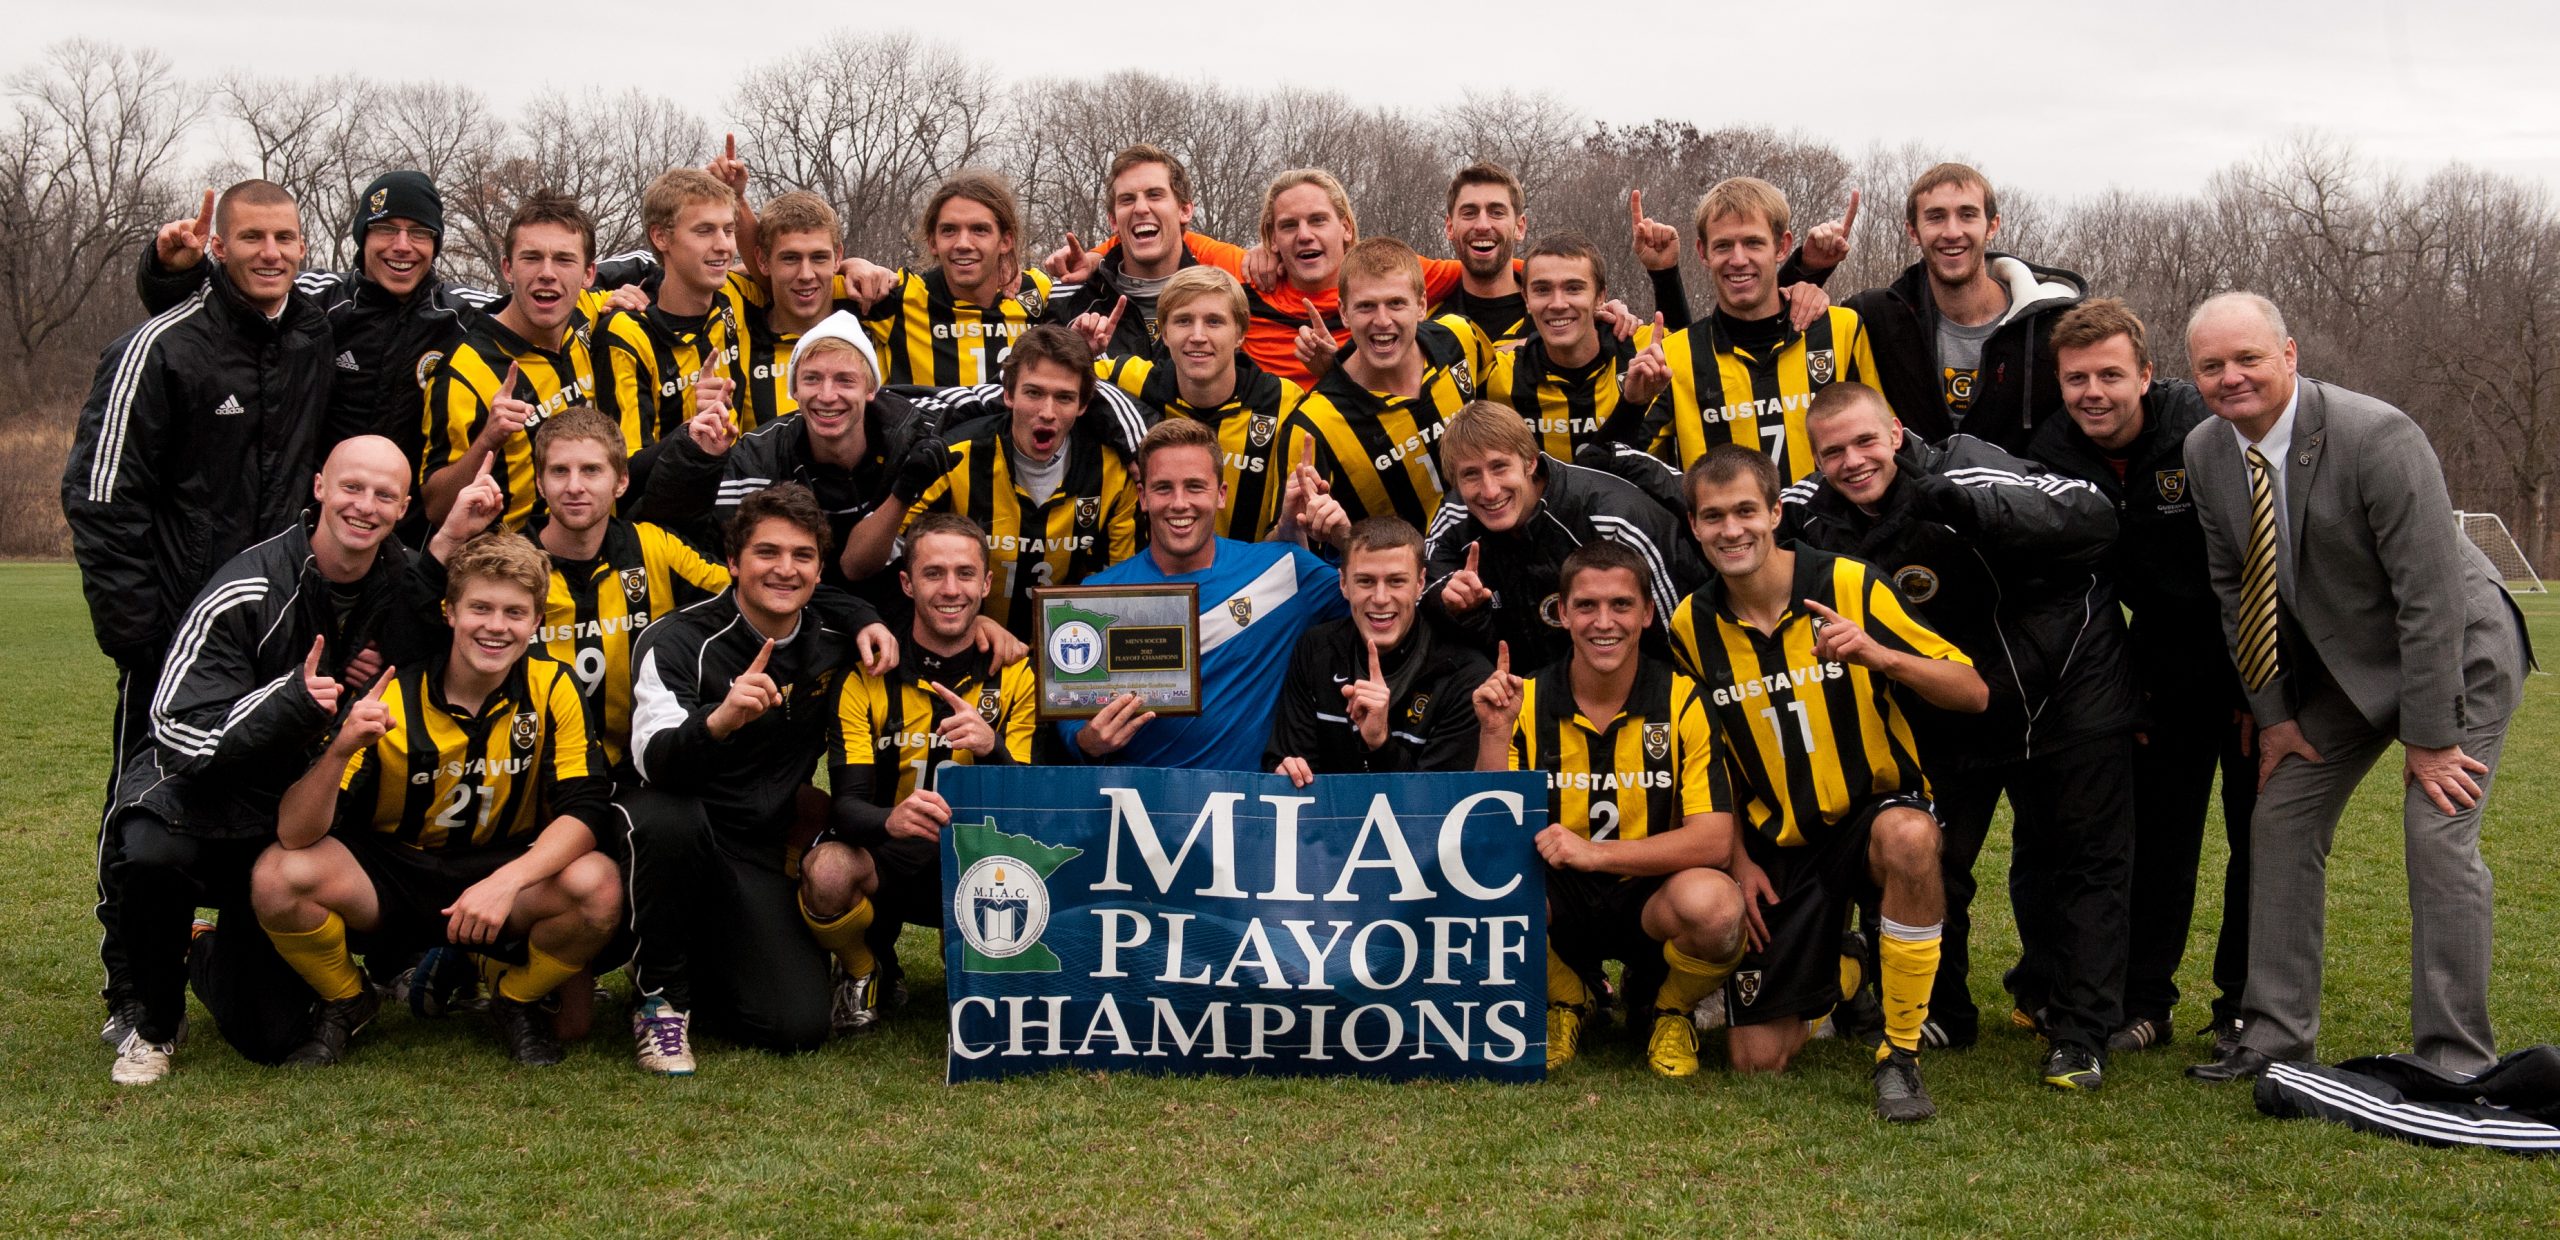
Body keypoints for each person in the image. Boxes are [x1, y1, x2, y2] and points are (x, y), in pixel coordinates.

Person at [2180, 292, 2531, 1083]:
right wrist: (2274, 716)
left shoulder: (2378, 434)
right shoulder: (2205, 451)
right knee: (2282, 816)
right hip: (2344, 665)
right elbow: (2236, 590)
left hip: (2455, 651)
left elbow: (2431, 596)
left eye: (2249, 359)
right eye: (2212, 366)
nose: (2231, 378)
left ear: (2291, 355)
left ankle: (2453, 1059)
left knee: (2436, 838)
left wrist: (2432, 736)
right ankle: (2273, 1036)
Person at [96, 436, 502, 1083]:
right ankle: (152, 1021)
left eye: (383, 495)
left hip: (293, 811)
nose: (364, 505)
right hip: (199, 796)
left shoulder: (392, 573)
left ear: (401, 508)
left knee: (273, 1037)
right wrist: (290, 701)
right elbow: (174, 729)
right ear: (319, 488)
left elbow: (418, 627)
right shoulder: (247, 588)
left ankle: (212, 949)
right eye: (351, 487)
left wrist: (452, 532)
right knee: (150, 856)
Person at [1785, 382, 2134, 1090]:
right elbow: (1734, 531)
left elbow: (2094, 516)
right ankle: (1944, 1010)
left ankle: (2080, 1034)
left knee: (2083, 866)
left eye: (1864, 441)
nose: (1852, 461)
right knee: (1936, 861)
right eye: (1832, 452)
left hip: (2067, 684)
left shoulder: (1964, 465)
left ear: (1895, 428)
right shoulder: (1813, 515)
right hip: (1947, 702)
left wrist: (1971, 508)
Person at [64, 177, 335, 1054]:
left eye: (286, 238)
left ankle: (249, 962)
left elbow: (431, 293)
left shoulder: (314, 330)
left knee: (278, 803)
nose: (271, 253)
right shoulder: (158, 348)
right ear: (217, 246)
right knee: (147, 809)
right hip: (176, 639)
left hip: (284, 636)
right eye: (251, 237)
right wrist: (143, 636)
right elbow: (104, 500)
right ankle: (134, 995)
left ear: (304, 245)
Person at [1670, 445, 1985, 1120]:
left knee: (1909, 837)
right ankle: (1847, 969)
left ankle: (1899, 1054)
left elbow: (1972, 691)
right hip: (1782, 844)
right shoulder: (1689, 625)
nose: (1732, 530)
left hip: (1872, 817)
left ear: (1777, 512)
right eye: (1714, 516)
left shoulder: (1849, 584)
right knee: (1754, 1060)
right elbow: (1711, 760)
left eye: (1747, 511)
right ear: (1693, 526)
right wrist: (1738, 860)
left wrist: (1879, 654)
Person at [251, 532, 620, 1067]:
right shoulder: (393, 693)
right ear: (449, 612)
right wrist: (338, 752)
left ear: (537, 621)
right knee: (277, 875)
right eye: (481, 608)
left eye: (515, 612)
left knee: (599, 888)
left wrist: (506, 882)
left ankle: (513, 996)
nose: (496, 626)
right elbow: (295, 835)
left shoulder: (552, 686)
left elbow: (585, 809)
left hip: (500, 873)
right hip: (395, 874)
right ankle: (348, 997)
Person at [2025, 298, 2257, 1058]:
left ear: (2147, 376)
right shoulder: (2054, 450)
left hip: (2251, 661)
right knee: (2160, 845)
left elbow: (2262, 561)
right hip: (2164, 669)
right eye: (2076, 377)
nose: (2094, 392)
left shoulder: (2204, 430)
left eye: (2111, 375)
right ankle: (2145, 1002)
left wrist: (2267, 689)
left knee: (2263, 844)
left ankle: (2244, 1008)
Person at [614, 485, 890, 1072]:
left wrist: (990, 635)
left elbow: (918, 641)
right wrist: (719, 721)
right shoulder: (678, 639)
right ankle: (659, 997)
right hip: (676, 831)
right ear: (734, 561)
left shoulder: (834, 641)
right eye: (767, 553)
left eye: (802, 555)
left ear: (818, 570)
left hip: (756, 846)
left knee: (796, 1027)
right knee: (667, 815)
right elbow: (653, 762)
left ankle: (705, 961)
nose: (785, 569)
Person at [1470, 541, 1748, 1080]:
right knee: (1481, 895)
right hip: (1559, 899)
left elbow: (1714, 841)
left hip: (1650, 897)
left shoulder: (1684, 700)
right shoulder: (1523, 699)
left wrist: (1595, 854)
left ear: (1647, 613)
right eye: (1587, 606)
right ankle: (1567, 998)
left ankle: (1670, 1009)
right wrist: (1494, 734)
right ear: (1562, 612)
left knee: (1716, 907)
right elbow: (1487, 832)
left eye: (1621, 605)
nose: (1604, 622)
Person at [814, 512, 1039, 1034]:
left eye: (965, 574)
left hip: (979, 866)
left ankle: (966, 953)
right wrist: (891, 820)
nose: (950, 589)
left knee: (988, 998)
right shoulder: (866, 673)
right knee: (827, 872)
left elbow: (1028, 807)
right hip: (887, 859)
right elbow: (845, 806)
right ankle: (863, 969)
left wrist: (991, 748)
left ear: (986, 584)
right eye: (933, 573)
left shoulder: (1016, 673)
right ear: (906, 583)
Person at [136, 171, 495, 461]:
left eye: (419, 232)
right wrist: (171, 273)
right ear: (363, 238)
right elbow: (215, 315)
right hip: (314, 523)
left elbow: (536, 314)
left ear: (435, 245)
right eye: (386, 229)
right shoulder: (313, 297)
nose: (402, 245)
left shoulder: (466, 312)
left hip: (414, 528)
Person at [1060, 417, 1349, 771]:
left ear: (1221, 494)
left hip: (1245, 811)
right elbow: (1070, 722)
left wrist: (1341, 536)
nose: (1179, 503)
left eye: (1195, 487)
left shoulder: (1284, 571)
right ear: (1143, 497)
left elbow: (1384, 604)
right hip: (1141, 811)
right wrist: (1088, 741)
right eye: (1163, 488)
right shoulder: (1095, 597)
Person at [838, 325, 1140, 637]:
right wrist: (902, 493)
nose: (1047, 412)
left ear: (1083, 405)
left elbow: (1121, 592)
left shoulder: (1112, 472)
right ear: (1008, 394)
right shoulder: (955, 458)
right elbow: (856, 566)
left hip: (1069, 655)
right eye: (1034, 393)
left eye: (1064, 397)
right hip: (964, 646)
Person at [1794, 164, 2085, 454]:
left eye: (1967, 215)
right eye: (1935, 217)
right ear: (1913, 231)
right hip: (1914, 499)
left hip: (2021, 498)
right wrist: (1808, 273)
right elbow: (1768, 336)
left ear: (1992, 226)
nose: (1952, 232)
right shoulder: (1877, 317)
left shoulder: (2052, 324)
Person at [640, 311, 935, 590]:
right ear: (793, 389)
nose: (827, 396)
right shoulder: (757, 458)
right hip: (791, 610)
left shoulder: (912, 433)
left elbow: (978, 399)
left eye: (845, 380)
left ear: (871, 389)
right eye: (812, 379)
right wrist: (698, 455)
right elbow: (674, 533)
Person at [419, 191, 655, 530]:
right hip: (513, 567)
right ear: (507, 269)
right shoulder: (464, 370)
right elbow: (436, 508)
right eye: (531, 258)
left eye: (563, 259)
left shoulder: (594, 313)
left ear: (589, 274)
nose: (547, 273)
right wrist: (488, 439)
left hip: (600, 549)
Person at [1423, 400, 1701, 671]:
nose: (1490, 490)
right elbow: (1423, 595)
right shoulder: (1454, 518)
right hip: (1530, 696)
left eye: (1500, 467)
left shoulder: (1611, 518)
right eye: (1471, 475)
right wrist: (1451, 602)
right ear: (1455, 483)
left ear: (1530, 463)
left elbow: (1678, 636)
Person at [1638, 178, 1883, 484]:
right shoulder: (1675, 354)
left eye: (1753, 243)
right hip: (1731, 532)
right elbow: (1629, 463)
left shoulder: (1842, 330)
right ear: (1703, 252)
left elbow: (1884, 441)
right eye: (1724, 245)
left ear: (1782, 246)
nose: (1738, 260)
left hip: (1832, 531)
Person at [525, 409, 731, 767]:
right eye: (560, 471)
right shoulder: (508, 564)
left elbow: (753, 593)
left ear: (621, 481)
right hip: (536, 771)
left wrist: (853, 614)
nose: (575, 486)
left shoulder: (655, 547)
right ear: (540, 484)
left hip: (637, 764)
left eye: (591, 470)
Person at [1274, 238, 1497, 533]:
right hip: (1405, 577)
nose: (1382, 320)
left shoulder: (1460, 337)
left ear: (1421, 305)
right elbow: (1287, 544)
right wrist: (1314, 530)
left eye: (1396, 303)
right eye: (1366, 306)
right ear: (1343, 312)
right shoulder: (1312, 426)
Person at [1268, 517, 1490, 780]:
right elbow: (1284, 758)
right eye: (1365, 581)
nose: (1381, 598)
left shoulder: (1465, 676)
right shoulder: (1315, 649)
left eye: (1396, 581)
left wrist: (1379, 743)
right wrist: (1285, 772)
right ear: (1343, 584)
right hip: (1328, 820)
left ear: (1420, 583)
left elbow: (1436, 807)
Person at [1092, 266, 1303, 541]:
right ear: (1164, 334)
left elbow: (1288, 531)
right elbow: (1057, 379)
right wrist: (1082, 349)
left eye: (1214, 322)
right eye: (1183, 321)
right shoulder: (1129, 379)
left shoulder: (1283, 402)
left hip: (1252, 575)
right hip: (1155, 580)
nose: (1198, 336)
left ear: (1240, 334)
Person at [842, 172, 1056, 388]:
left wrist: (1092, 256)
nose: (963, 243)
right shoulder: (898, 298)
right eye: (949, 230)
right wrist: (850, 265)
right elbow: (813, 284)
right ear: (932, 242)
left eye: (979, 230)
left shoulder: (1037, 290)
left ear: (1005, 241)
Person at [1480, 233, 1669, 461]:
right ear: (1526, 298)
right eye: (1542, 290)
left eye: (1573, 288)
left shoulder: (1647, 348)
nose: (1558, 304)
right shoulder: (1499, 374)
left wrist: (1666, 273)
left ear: (1601, 296)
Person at [1046, 144, 1242, 357]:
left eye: (1155, 195)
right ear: (1113, 220)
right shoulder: (1068, 296)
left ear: (1184, 210)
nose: (1140, 208)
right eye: (1127, 199)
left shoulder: (1224, 295)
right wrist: (1077, 360)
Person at [1434, 163, 1532, 346]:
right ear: (1449, 227)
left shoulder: (1552, 320)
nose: (1482, 226)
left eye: (1496, 212)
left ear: (1519, 227)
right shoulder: (1425, 325)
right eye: (1469, 213)